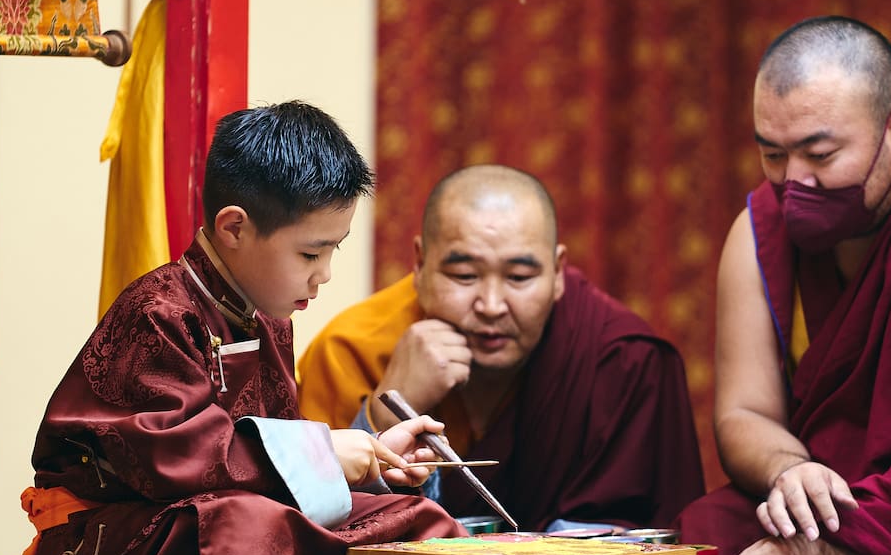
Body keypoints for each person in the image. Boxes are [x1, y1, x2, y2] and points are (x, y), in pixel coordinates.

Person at [20, 102, 468, 555]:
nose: (325, 274)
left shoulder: (270, 318)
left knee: (413, 517)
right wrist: (326, 453)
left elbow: (281, 465)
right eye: (311, 253)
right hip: (114, 536)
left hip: (232, 513)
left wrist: (374, 460)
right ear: (235, 228)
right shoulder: (158, 312)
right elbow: (171, 460)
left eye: (334, 249)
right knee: (247, 528)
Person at [676, 16, 891, 555]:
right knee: (706, 531)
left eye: (820, 155)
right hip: (833, 504)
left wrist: (840, 548)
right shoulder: (759, 232)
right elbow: (743, 411)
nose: (793, 181)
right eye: (773, 153)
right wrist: (793, 474)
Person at [297, 165, 704, 532]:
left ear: (558, 273)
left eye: (520, 276)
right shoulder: (351, 348)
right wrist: (389, 405)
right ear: (419, 265)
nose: (491, 305)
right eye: (464, 274)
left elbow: (659, 540)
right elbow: (314, 529)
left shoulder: (620, 357)